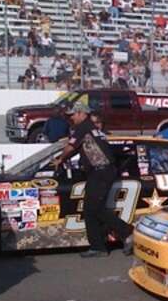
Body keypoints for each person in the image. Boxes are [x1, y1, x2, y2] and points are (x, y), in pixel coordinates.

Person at [53, 102, 133, 257]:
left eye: (73, 115)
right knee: (89, 210)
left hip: (101, 172)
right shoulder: (91, 128)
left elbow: (71, 147)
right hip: (100, 172)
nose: (71, 118)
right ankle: (98, 247)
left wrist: (59, 159)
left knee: (94, 208)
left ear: (82, 113)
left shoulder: (83, 127)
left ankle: (128, 232)